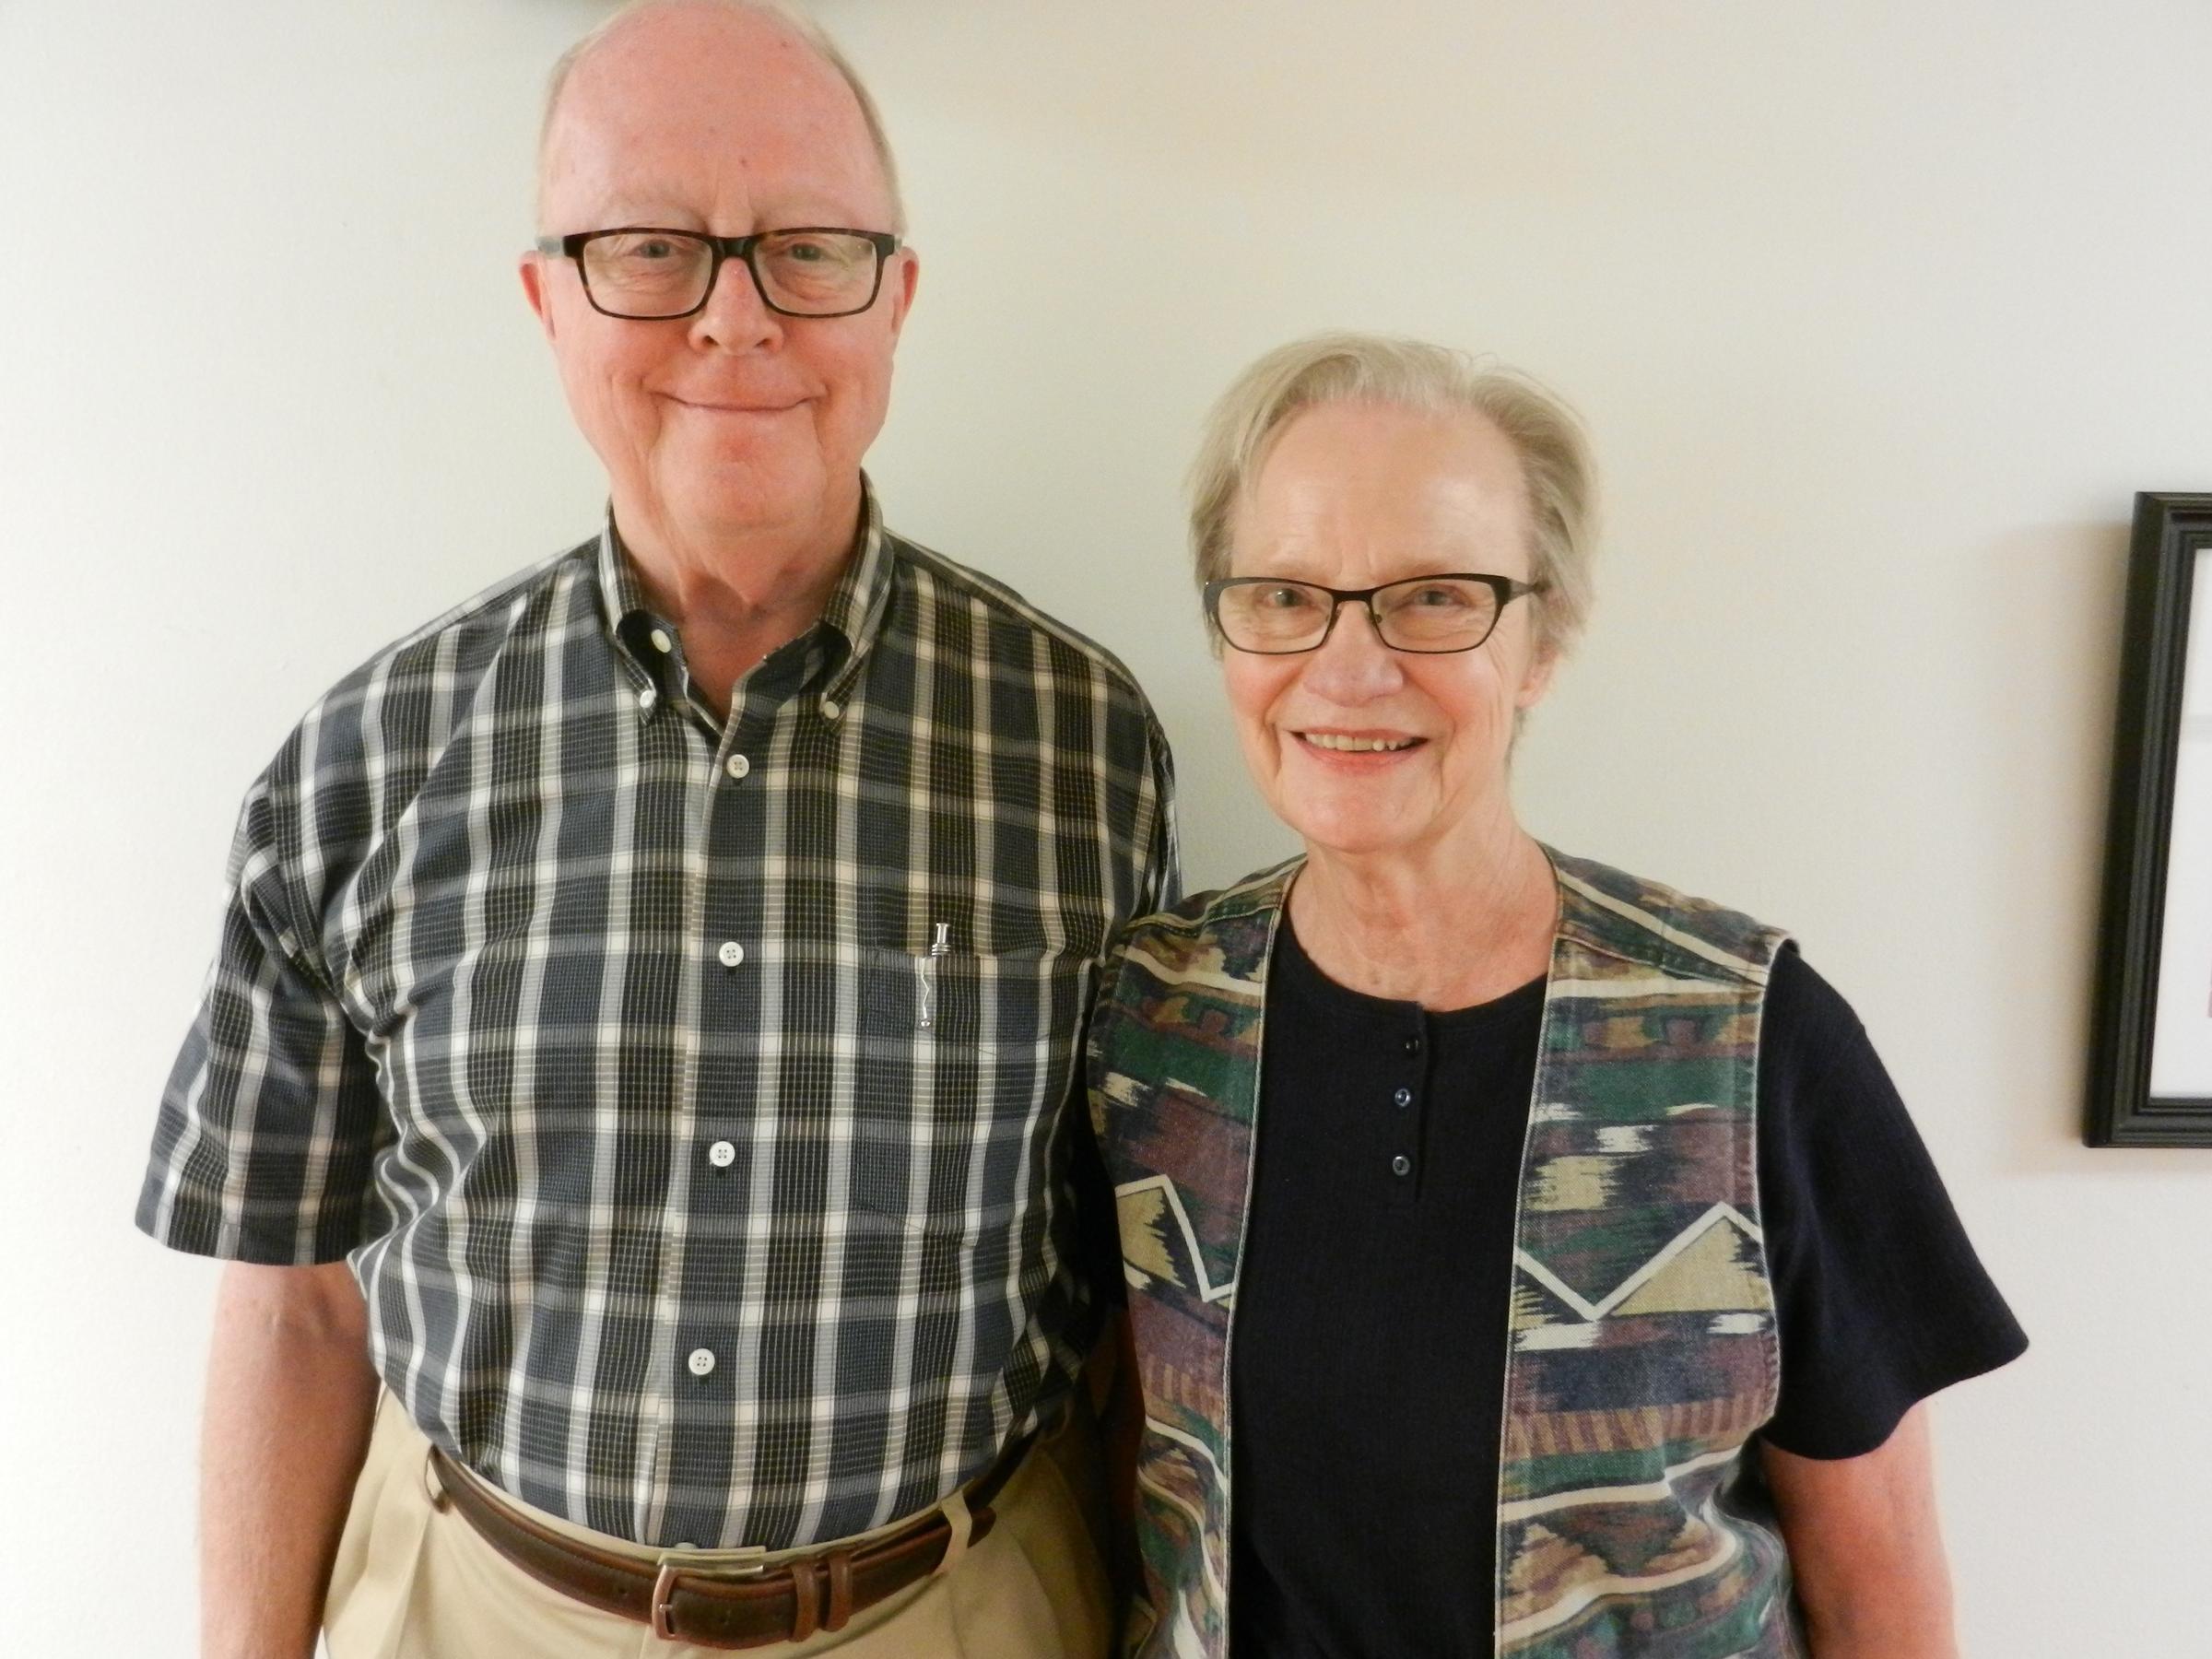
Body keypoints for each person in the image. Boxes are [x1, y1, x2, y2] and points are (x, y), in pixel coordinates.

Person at [135, 4, 1173, 1653]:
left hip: (964, 1604)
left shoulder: (1082, 747)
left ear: (897, 297)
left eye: (810, 251)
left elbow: (1133, 1289)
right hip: (468, 1605)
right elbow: (295, 1305)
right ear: (547, 300)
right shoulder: (360, 762)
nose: (737, 319)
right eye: (650, 249)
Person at [1086, 333, 2026, 1658]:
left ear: (1545, 641)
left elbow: (1881, 1587)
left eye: (1433, 598)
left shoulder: (1745, 1036)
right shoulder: (1155, 1020)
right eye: (1287, 595)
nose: (1348, 667)